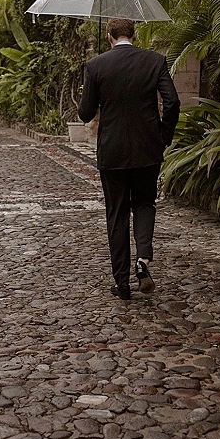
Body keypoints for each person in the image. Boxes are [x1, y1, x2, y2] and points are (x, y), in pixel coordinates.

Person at [78, 17, 180, 300]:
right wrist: (163, 135)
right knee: (145, 203)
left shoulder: (96, 66)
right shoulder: (154, 61)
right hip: (148, 148)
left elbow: (85, 113)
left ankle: (121, 282)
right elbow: (172, 102)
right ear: (134, 34)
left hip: (112, 151)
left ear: (109, 36)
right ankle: (143, 259)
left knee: (117, 213)